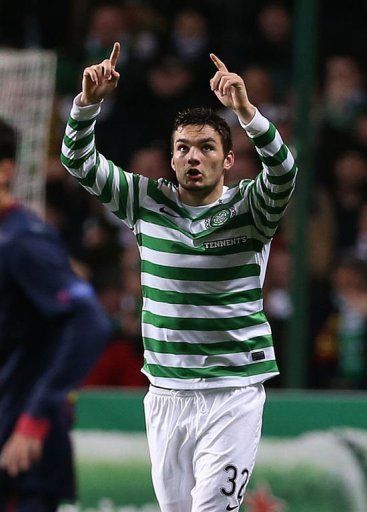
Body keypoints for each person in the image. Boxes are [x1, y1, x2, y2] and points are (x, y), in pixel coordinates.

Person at [61, 42, 297, 512]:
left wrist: (247, 113)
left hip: (232, 390)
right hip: (167, 391)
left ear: (227, 161)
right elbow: (78, 161)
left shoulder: (251, 207)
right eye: (183, 148)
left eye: (207, 147)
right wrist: (87, 104)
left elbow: (285, 170)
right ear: (171, 159)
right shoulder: (145, 201)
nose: (194, 157)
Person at [0, 118, 110, 511]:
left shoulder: (23, 240)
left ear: (6, 169)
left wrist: (37, 414)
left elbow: (89, 320)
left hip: (22, 454)